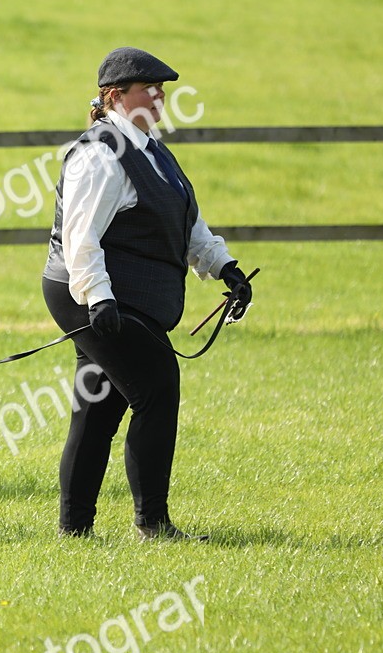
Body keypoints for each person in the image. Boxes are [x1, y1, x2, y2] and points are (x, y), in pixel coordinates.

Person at [41, 47, 253, 541]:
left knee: (100, 404)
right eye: (148, 88)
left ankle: (74, 531)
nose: (159, 96)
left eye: (162, 89)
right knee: (157, 387)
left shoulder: (151, 149)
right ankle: (153, 525)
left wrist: (225, 268)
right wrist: (99, 298)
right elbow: (81, 239)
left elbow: (186, 222)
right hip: (89, 290)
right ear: (115, 96)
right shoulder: (99, 155)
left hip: (119, 294)